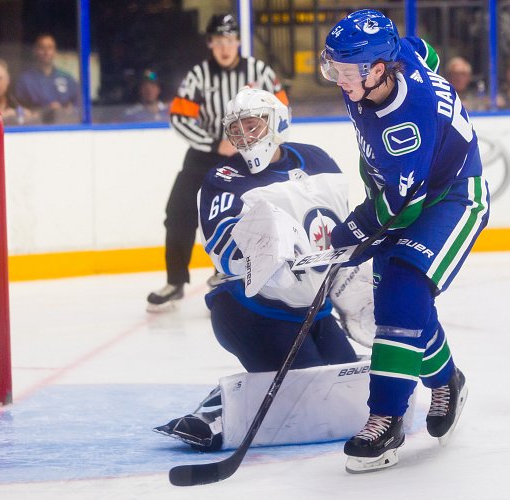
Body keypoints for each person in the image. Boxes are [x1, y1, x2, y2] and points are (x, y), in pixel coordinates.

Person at [154, 87, 377, 451]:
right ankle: (212, 412)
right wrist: (263, 257)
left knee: (343, 390)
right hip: (251, 313)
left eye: (253, 126)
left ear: (278, 123)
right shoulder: (223, 178)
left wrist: (351, 286)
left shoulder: (317, 160)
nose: (244, 137)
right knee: (307, 394)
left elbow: (339, 232)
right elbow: (222, 249)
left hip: (313, 312)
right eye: (236, 129)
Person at [320, 9, 489, 473]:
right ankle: (446, 379)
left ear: (378, 70)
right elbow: (423, 50)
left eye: (345, 70)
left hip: (451, 198)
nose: (336, 77)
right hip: (406, 192)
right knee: (407, 310)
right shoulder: (399, 57)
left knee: (401, 296)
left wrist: (349, 234)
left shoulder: (406, 129)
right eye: (332, 64)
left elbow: (399, 208)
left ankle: (387, 418)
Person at [146, 13, 289, 312]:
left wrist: (256, 141)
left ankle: (227, 276)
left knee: (243, 213)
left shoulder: (258, 71)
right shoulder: (198, 75)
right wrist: (214, 143)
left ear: (238, 41)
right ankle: (175, 282)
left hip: (247, 155)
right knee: (178, 211)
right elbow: (179, 117)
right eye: (219, 41)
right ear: (210, 43)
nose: (225, 47)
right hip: (205, 152)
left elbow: (282, 109)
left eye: (231, 40)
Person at [15, 33, 79, 123]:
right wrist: (45, 110)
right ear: (35, 51)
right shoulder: (25, 80)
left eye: (50, 48)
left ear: (55, 51)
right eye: (42, 47)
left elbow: (79, 107)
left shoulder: (67, 78)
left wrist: (66, 111)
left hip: (64, 128)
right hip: (35, 128)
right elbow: (20, 110)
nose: (46, 52)